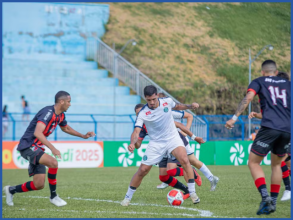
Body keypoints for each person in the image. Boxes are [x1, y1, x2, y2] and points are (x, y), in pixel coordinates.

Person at [3, 91, 96, 207]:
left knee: (39, 184)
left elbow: (65, 128)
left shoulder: (61, 115)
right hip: (28, 146)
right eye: (68, 102)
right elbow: (38, 133)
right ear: (61, 102)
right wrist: (53, 149)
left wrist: (83, 136)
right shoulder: (47, 112)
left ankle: (11, 190)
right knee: (53, 162)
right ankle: (53, 196)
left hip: (37, 148)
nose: (70, 104)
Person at [225, 60, 291, 215]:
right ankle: (273, 202)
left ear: (263, 72)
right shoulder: (288, 84)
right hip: (287, 129)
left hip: (269, 127)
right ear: (276, 72)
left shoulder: (259, 81)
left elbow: (247, 98)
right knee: (276, 165)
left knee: (253, 162)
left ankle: (265, 196)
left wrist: (234, 118)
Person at [121, 85, 201, 206]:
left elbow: (177, 106)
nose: (152, 102)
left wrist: (190, 106)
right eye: (148, 100)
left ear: (157, 95)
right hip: (156, 143)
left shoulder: (167, 101)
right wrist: (132, 143)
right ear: (145, 98)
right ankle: (127, 198)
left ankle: (193, 193)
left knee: (185, 160)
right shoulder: (143, 113)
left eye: (153, 99)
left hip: (172, 138)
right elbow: (136, 131)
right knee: (143, 170)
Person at [133, 104, 203, 194]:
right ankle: (186, 190)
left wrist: (194, 137)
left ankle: (191, 173)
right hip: (160, 147)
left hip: (172, 143)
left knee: (171, 170)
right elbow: (138, 143)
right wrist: (134, 142)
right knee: (163, 177)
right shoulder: (140, 125)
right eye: (138, 114)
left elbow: (180, 124)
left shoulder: (159, 115)